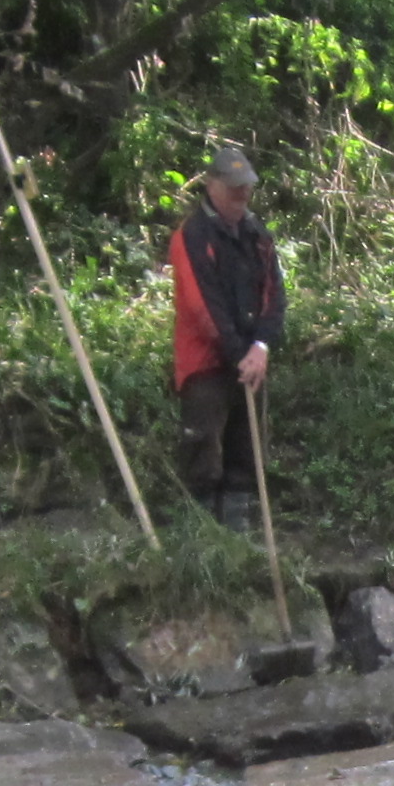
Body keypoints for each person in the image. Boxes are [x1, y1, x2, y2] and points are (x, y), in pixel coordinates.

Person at [169, 145, 285, 528]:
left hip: (251, 356)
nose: (242, 195)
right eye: (234, 187)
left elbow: (274, 294)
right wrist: (241, 353)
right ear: (212, 187)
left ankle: (239, 529)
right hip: (206, 360)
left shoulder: (258, 234)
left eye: (247, 187)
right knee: (202, 442)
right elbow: (202, 305)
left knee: (246, 446)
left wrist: (261, 346)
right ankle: (199, 533)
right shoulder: (193, 235)